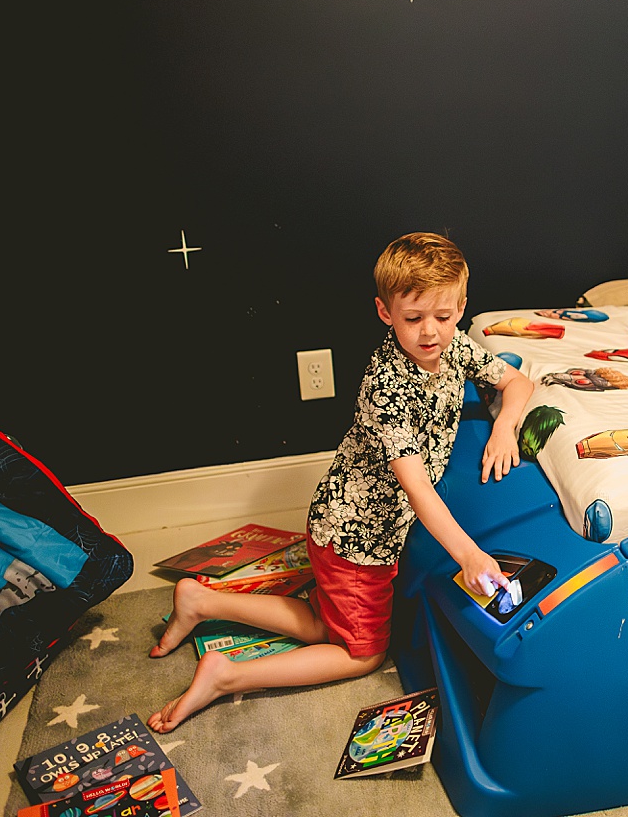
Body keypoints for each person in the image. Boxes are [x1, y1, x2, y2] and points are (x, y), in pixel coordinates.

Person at [148, 231, 535, 733]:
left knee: (323, 619)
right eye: (412, 318)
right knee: (361, 652)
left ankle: (202, 600)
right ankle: (227, 676)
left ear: (462, 306)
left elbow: (516, 381)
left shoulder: (457, 348)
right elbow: (416, 487)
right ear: (385, 312)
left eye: (443, 316)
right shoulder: (387, 384)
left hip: (351, 526)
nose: (429, 332)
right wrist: (470, 556)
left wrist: (505, 425)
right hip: (356, 538)